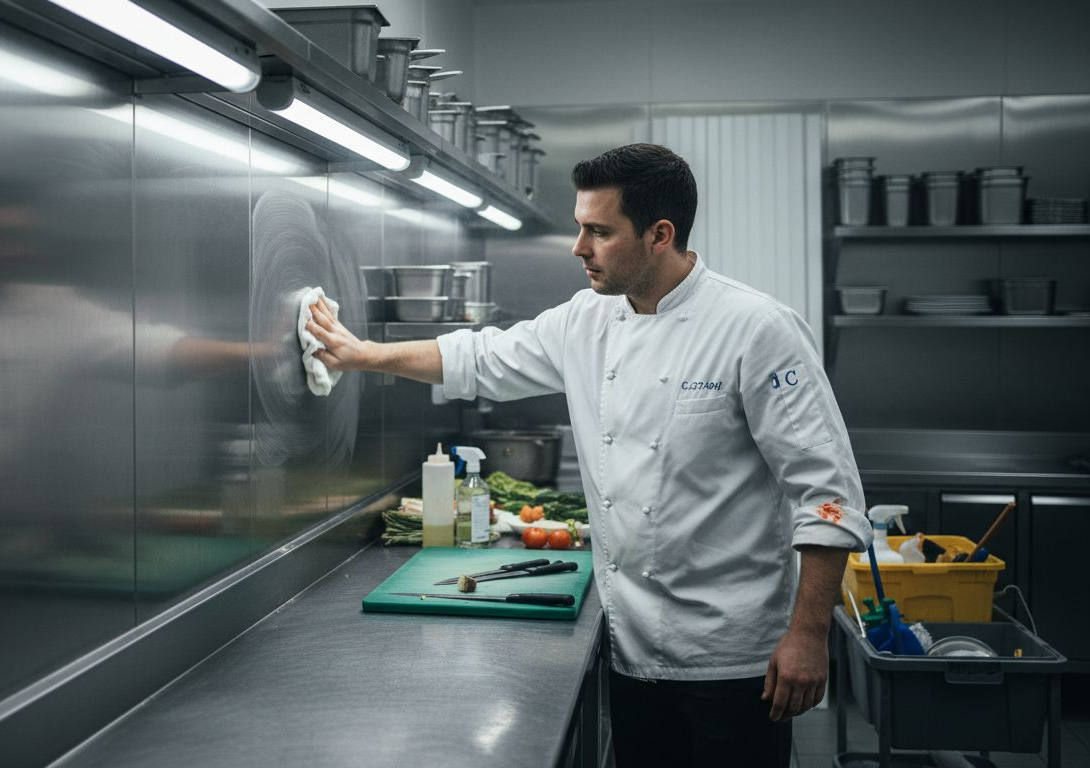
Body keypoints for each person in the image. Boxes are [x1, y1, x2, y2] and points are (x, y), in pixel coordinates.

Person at [305, 143, 871, 768]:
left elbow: (827, 495)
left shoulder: (756, 328)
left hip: (733, 659)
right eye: (580, 227)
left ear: (660, 234)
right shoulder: (587, 319)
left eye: (598, 231)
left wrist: (809, 635)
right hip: (629, 648)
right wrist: (362, 355)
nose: (579, 247)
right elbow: (480, 358)